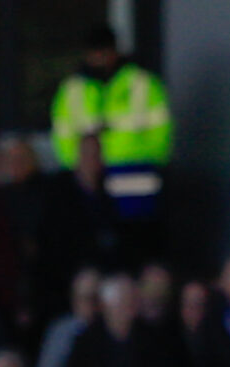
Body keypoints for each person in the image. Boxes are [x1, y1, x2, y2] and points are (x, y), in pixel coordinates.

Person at [48, 24, 172, 260]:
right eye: (94, 52)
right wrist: (79, 170)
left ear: (114, 51)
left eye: (103, 51)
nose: (98, 58)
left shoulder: (142, 83)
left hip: (136, 179)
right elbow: (62, 136)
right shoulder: (72, 90)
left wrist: (151, 163)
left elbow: (161, 133)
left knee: (140, 245)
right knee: (94, 244)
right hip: (90, 183)